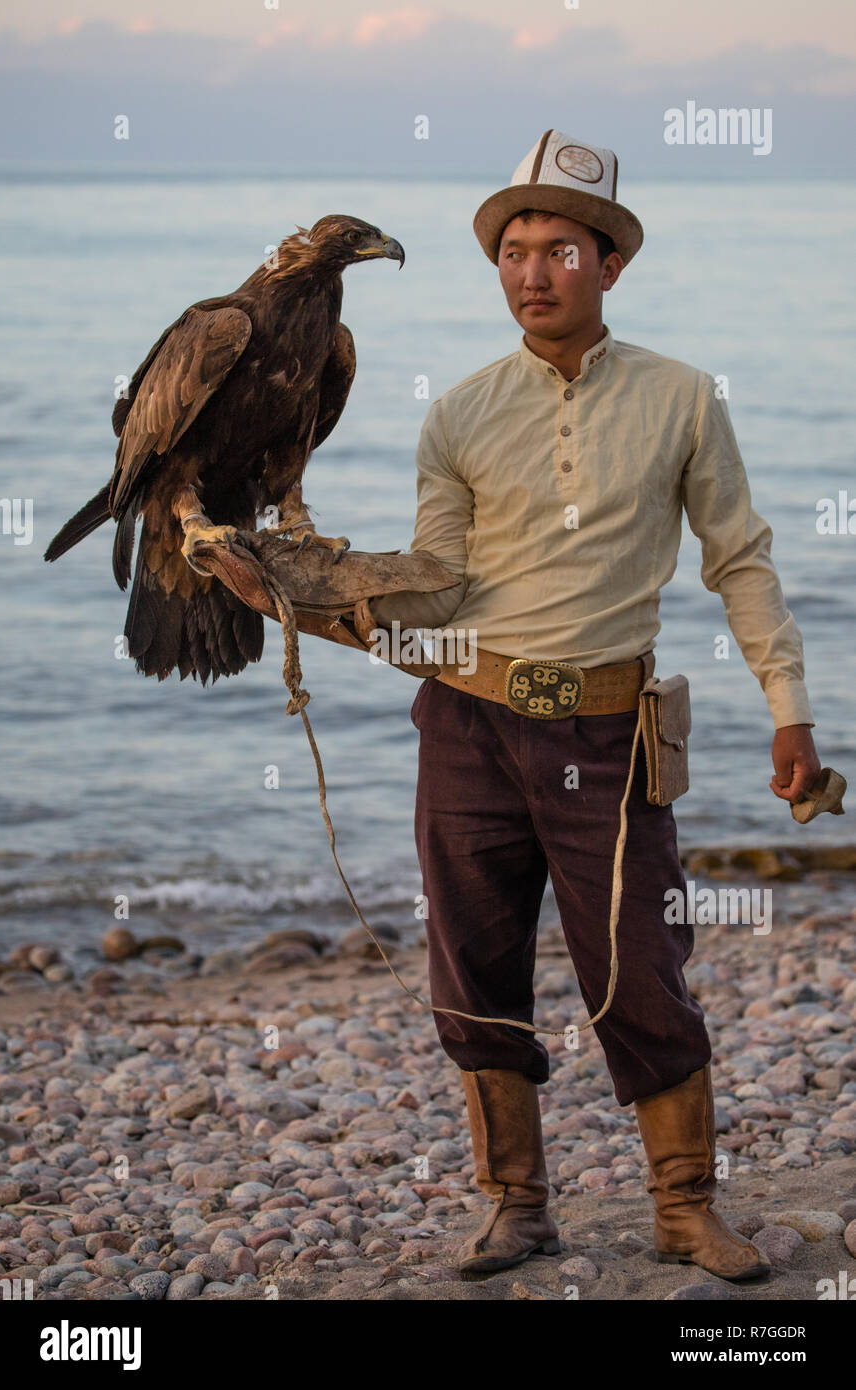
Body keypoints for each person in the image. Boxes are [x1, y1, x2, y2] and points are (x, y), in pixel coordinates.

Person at [369, 130, 821, 1280]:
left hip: (603, 731)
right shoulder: (457, 415)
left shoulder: (680, 399)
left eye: (556, 250)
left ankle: (683, 1207)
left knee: (638, 963)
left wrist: (790, 709)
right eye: (512, 253)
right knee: (471, 966)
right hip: (463, 722)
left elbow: (740, 558)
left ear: (607, 263)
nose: (530, 273)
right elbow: (436, 579)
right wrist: (316, 591)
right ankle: (515, 1205)